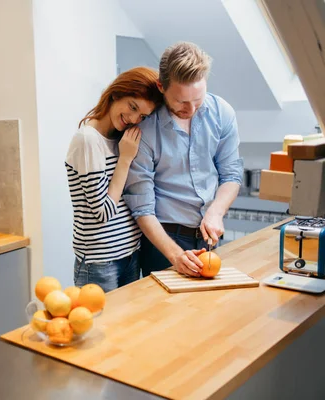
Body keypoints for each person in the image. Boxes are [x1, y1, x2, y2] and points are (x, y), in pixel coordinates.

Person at [124, 42, 243, 278]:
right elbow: (142, 208)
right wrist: (176, 256)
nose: (191, 109)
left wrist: (216, 212)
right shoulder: (145, 129)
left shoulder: (223, 113)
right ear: (161, 86)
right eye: (181, 102)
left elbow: (231, 176)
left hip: (209, 236)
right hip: (163, 242)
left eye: (198, 100)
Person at [65, 67, 163, 293]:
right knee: (101, 327)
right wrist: (125, 159)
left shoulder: (121, 139)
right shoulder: (88, 140)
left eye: (142, 116)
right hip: (100, 263)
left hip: (130, 254)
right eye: (132, 106)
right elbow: (103, 212)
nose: (133, 119)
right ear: (117, 93)